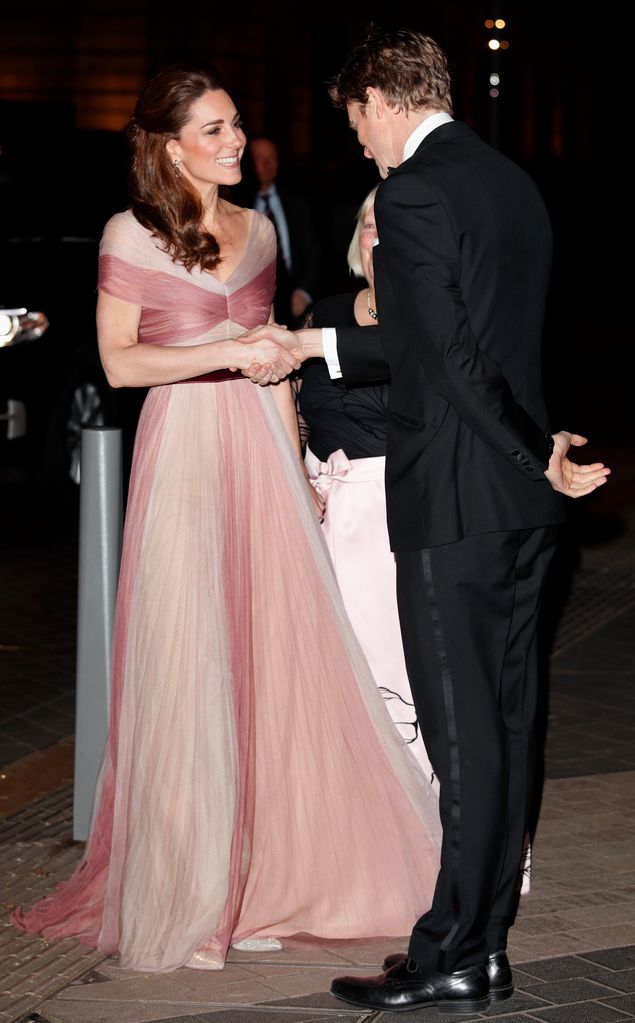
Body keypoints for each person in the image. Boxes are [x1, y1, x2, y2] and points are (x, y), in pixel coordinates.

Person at [11, 62, 443, 974]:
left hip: (257, 446)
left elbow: (278, 366)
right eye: (212, 129)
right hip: (185, 449)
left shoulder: (255, 232)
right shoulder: (130, 234)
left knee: (265, 663)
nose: (234, 140)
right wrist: (219, 348)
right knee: (190, 662)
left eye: (236, 124)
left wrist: (295, 462)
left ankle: (255, 881)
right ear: (168, 146)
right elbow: (122, 366)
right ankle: (191, 888)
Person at [240, 27, 611, 1014]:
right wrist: (537, 454)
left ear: (380, 97)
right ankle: (474, 947)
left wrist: (529, 451)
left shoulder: (410, 191)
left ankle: (453, 948)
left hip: (455, 502)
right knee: (506, 725)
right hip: (519, 510)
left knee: (462, 741)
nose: (357, 140)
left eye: (355, 116)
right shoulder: (508, 183)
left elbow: (437, 359)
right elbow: (476, 340)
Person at [298, 183, 435, 784]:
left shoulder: (433, 320)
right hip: (319, 511)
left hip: (392, 519)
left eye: (394, 227)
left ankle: (431, 830)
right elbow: (294, 402)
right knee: (322, 672)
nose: (380, 237)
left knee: (398, 667)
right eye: (371, 225)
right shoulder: (323, 313)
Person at [246, 137, 322, 325]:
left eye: (272, 158)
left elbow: (317, 250)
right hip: (252, 302)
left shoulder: (298, 201)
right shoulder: (237, 206)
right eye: (259, 158)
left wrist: (305, 291)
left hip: (296, 298)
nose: (267, 164)